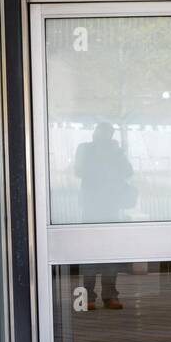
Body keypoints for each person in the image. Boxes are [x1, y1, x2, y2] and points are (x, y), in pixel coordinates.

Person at [74, 122, 135, 309]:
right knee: (90, 253)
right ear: (95, 132)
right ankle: (88, 297)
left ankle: (110, 295)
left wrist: (116, 154)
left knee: (110, 252)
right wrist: (103, 164)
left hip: (111, 206)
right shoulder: (85, 149)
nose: (104, 136)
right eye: (101, 132)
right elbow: (79, 171)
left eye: (108, 133)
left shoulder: (115, 151)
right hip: (92, 206)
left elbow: (128, 172)